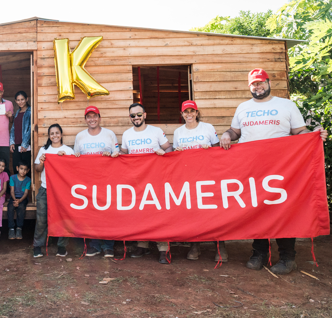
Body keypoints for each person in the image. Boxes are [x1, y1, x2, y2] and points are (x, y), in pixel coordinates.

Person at [219, 68, 328, 274]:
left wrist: (313, 135)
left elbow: (299, 131)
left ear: (269, 83)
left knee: (282, 209)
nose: (258, 86)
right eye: (254, 84)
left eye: (261, 82)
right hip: (251, 168)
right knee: (256, 209)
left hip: (281, 167)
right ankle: (259, 253)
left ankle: (288, 257)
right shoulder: (243, 107)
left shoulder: (286, 105)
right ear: (249, 86)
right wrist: (226, 134)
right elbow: (235, 131)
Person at [120, 103, 173, 263]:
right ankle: (142, 245)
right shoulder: (127, 134)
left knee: (158, 212)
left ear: (144, 115)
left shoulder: (156, 131)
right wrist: (115, 154)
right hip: (136, 180)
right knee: (139, 212)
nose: (136, 117)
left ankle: (163, 248)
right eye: (133, 115)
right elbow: (123, 154)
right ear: (130, 117)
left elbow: (169, 149)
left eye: (138, 114)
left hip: (156, 179)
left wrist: (164, 154)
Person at [172, 100, 224, 262]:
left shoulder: (207, 128)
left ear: (197, 113)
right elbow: (175, 153)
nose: (189, 114)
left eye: (192, 111)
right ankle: (195, 244)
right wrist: (177, 151)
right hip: (188, 176)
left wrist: (210, 150)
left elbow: (218, 150)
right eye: (186, 112)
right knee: (193, 210)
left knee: (214, 210)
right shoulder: (178, 132)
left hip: (208, 175)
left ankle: (220, 245)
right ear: (182, 114)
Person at [74, 106, 119, 258]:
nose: (92, 119)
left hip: (107, 180)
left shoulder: (109, 134)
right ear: (85, 119)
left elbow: (117, 154)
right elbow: (76, 159)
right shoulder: (80, 136)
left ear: (99, 118)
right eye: (89, 116)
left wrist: (111, 155)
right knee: (91, 213)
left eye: (95, 116)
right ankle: (94, 245)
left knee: (108, 213)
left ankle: (108, 247)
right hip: (87, 181)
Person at [32, 124, 74, 258]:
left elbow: (73, 169)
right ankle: (37, 246)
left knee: (63, 218)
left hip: (63, 191)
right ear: (49, 136)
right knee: (41, 219)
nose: (55, 135)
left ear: (61, 134)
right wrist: (42, 161)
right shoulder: (44, 150)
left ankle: (62, 246)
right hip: (45, 189)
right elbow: (37, 169)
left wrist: (64, 158)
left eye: (57, 133)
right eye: (52, 133)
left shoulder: (68, 150)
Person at [9, 90, 31, 175]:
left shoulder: (30, 112)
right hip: (16, 144)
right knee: (16, 167)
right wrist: (12, 142)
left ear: (26, 99)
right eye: (18, 100)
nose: (20, 102)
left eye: (22, 99)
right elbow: (13, 128)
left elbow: (30, 129)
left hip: (26, 145)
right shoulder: (17, 112)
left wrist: (25, 144)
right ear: (15, 101)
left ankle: (28, 184)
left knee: (26, 169)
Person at [7, 162, 31, 240]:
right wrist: (15, 200)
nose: (23, 171)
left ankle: (19, 228)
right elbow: (12, 191)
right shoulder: (12, 177)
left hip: (23, 198)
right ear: (17, 168)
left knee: (21, 208)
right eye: (21, 169)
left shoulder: (28, 180)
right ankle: (11, 228)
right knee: (10, 208)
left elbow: (26, 193)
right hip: (14, 197)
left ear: (28, 170)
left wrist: (19, 201)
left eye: (25, 169)